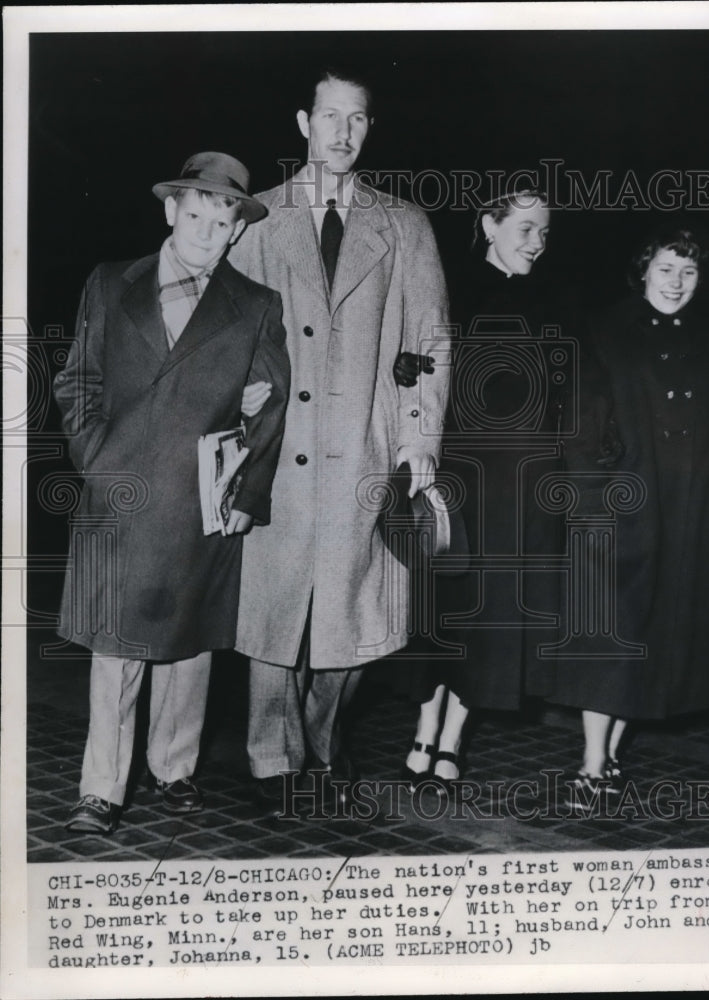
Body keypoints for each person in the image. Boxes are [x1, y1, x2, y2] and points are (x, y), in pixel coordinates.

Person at [231, 66, 450, 813]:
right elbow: (224, 335)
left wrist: (418, 439)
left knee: (356, 615)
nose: (343, 132)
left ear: (367, 129)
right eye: (330, 117)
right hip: (277, 452)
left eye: (357, 119)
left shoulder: (403, 225)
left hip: (363, 447)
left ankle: (323, 735)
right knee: (271, 612)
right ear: (303, 123)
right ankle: (270, 754)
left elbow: (429, 341)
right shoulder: (257, 217)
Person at [54, 152, 290, 834]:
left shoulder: (254, 306)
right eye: (195, 215)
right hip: (118, 492)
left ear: (237, 231)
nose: (206, 232)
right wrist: (95, 458)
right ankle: (101, 787)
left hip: (199, 502)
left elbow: (272, 406)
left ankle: (174, 769)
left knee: (188, 646)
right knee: (114, 645)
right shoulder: (108, 283)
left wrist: (246, 493)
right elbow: (78, 381)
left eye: (222, 222)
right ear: (170, 211)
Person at [547, 228, 709, 803]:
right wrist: (591, 504)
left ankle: (610, 755)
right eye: (666, 269)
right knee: (612, 637)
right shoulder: (605, 331)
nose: (676, 283)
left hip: (692, 512)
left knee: (659, 632)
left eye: (688, 273)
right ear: (643, 272)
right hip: (623, 506)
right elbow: (581, 431)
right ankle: (590, 766)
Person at [393, 187, 587, 790]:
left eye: (545, 232)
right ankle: (425, 729)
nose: (537, 243)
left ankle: (452, 741)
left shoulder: (556, 304)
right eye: (526, 229)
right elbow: (415, 370)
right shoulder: (451, 292)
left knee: (489, 622)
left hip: (519, 492)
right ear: (490, 226)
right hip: (457, 478)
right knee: (443, 614)